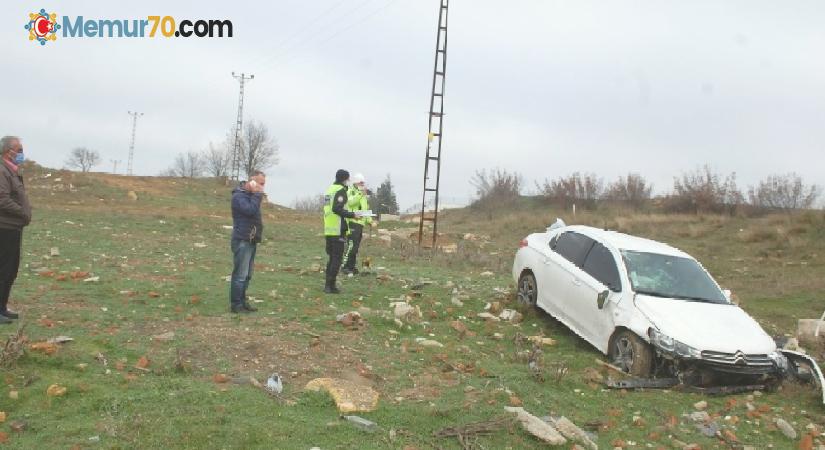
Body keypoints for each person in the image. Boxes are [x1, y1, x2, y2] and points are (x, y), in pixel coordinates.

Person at [0, 136, 30, 325]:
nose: (21, 153)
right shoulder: (2, 171)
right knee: (4, 269)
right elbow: (1, 198)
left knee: (9, 270)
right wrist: (22, 213)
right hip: (5, 227)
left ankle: (2, 307)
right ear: (8, 151)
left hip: (12, 226)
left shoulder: (11, 171)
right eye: (18, 150)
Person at [229, 170, 266, 313]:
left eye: (263, 184)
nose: (262, 187)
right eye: (260, 183)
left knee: (247, 275)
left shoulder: (250, 196)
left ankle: (243, 302)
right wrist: (257, 195)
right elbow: (249, 210)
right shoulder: (239, 196)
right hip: (242, 240)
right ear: (251, 181)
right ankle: (236, 305)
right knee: (240, 274)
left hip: (251, 240)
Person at [323, 169, 356, 294]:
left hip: (329, 228)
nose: (349, 181)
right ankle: (330, 286)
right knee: (336, 259)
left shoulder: (329, 189)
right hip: (338, 228)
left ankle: (328, 284)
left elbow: (328, 209)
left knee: (332, 258)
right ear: (344, 179)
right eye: (348, 179)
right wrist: (352, 215)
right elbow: (337, 208)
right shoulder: (340, 191)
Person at [342, 173, 373, 275]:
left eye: (363, 183)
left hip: (360, 224)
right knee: (351, 246)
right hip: (352, 222)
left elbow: (364, 209)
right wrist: (360, 194)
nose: (362, 184)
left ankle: (352, 266)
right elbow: (350, 203)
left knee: (356, 247)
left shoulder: (362, 194)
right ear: (355, 182)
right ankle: (345, 266)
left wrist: (370, 221)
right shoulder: (350, 191)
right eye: (360, 182)